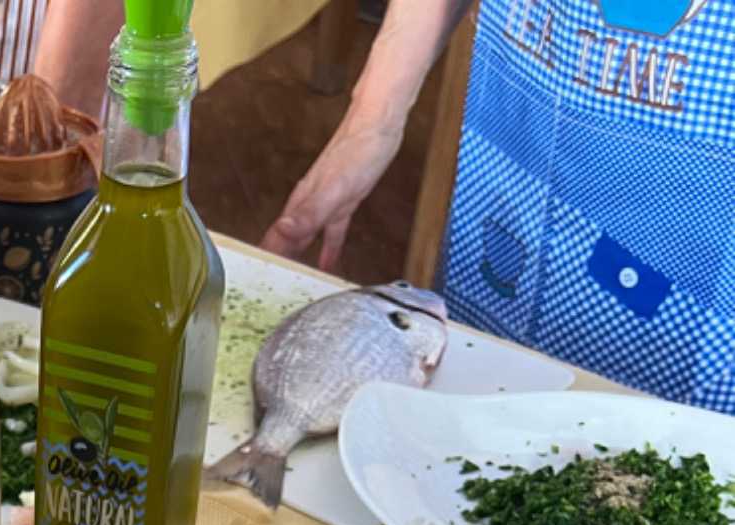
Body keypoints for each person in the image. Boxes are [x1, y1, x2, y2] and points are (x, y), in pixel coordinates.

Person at [264, 0, 735, 411]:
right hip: (514, 159)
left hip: (698, 242)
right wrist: (372, 120)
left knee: (662, 466)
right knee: (470, 434)